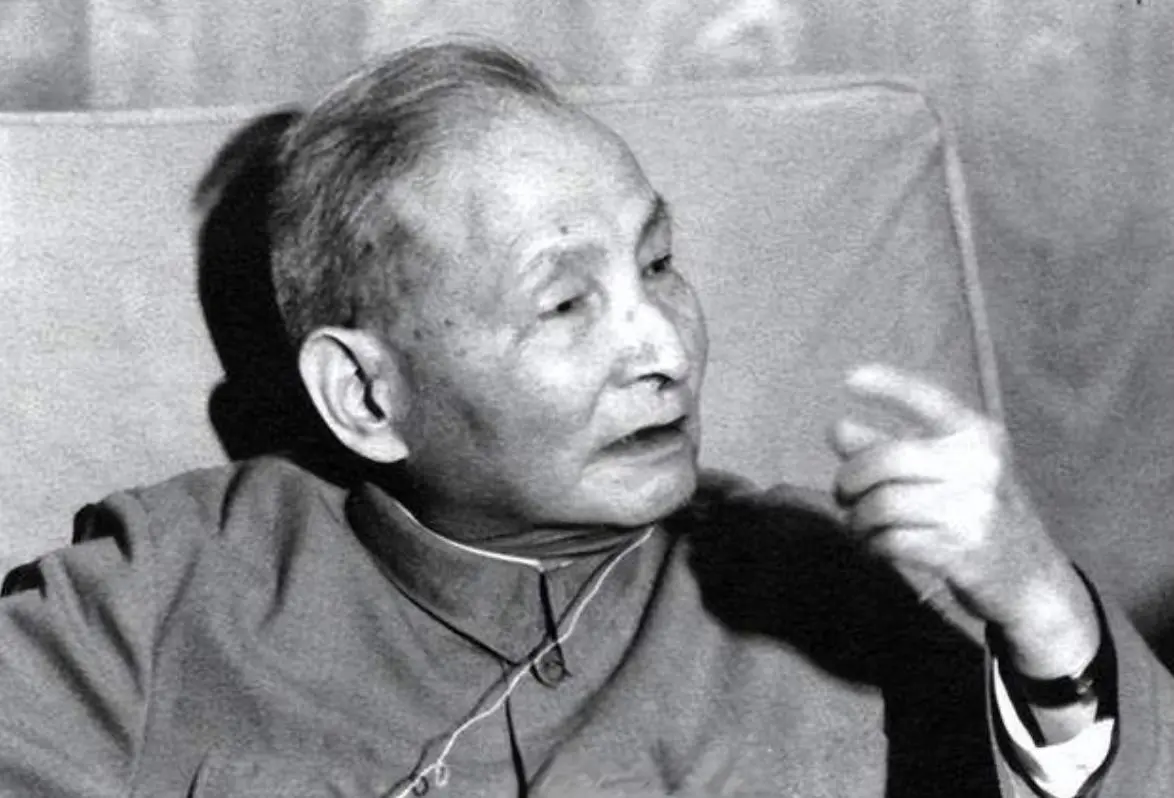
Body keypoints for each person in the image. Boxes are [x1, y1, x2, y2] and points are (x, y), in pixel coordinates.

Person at [1, 38, 1171, 798]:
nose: (664, 347)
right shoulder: (148, 604)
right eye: (565, 304)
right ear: (365, 395)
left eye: (658, 264)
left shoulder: (849, 584)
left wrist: (1048, 624)